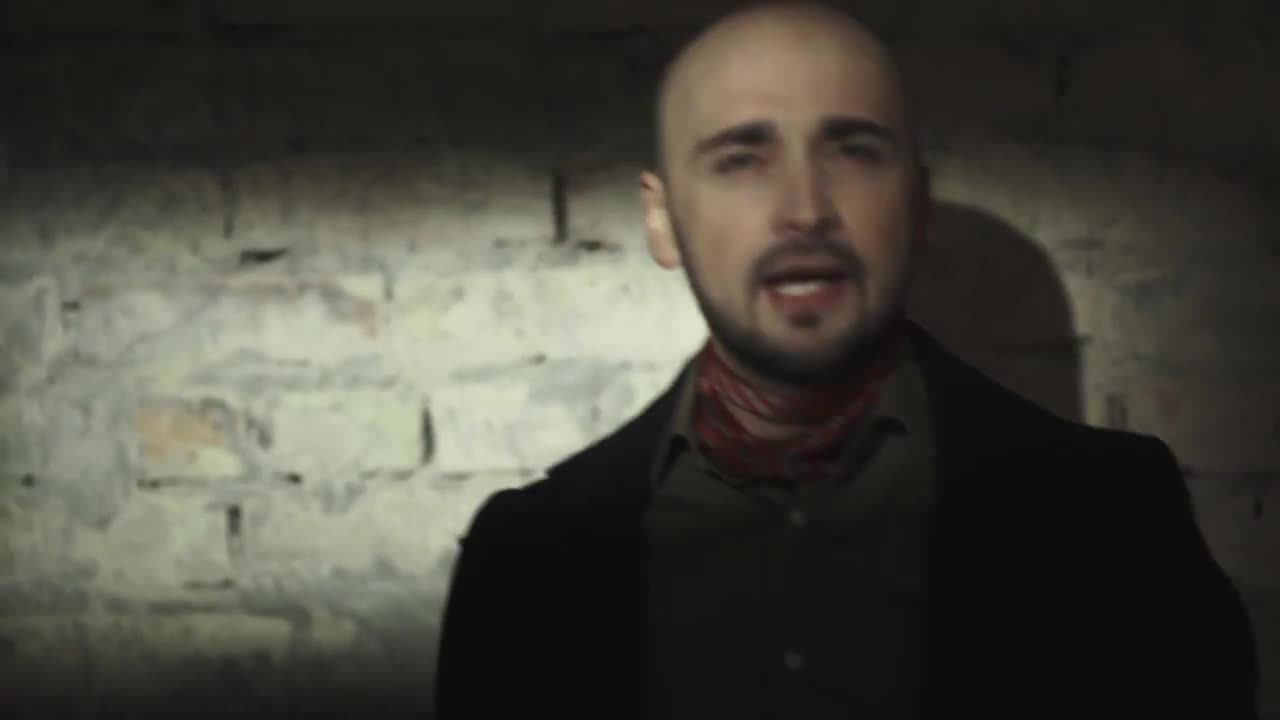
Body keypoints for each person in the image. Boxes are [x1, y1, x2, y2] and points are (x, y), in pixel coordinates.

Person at [433, 3, 1259, 718]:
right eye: (741, 159)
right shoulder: (527, 562)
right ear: (662, 220)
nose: (805, 210)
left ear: (917, 201)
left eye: (855, 150)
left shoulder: (1116, 523)